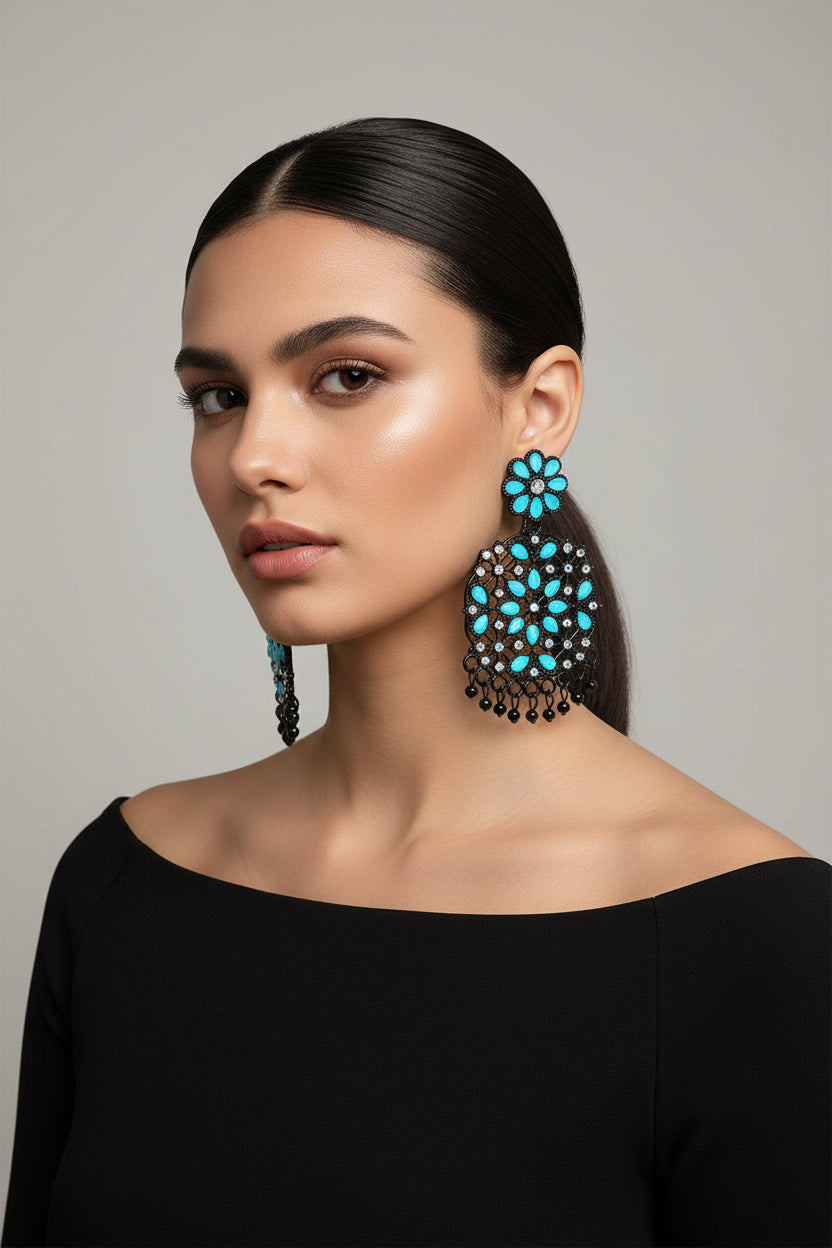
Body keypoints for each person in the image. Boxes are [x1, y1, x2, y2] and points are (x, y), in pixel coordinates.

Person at [2, 117, 829, 1248]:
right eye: (217, 395)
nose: (253, 457)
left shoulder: (760, 947)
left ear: (539, 408)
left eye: (346, 376)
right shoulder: (119, 885)